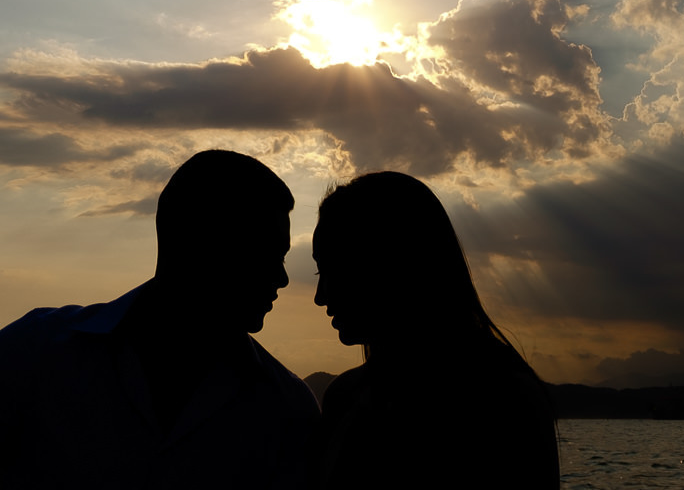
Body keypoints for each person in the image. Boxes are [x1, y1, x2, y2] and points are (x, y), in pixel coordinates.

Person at [0, 149, 320, 490]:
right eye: (263, 254)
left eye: (282, 257)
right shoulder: (34, 354)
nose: (281, 278)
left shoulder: (287, 410)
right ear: (196, 243)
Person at [310, 172, 559, 489]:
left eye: (335, 270)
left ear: (392, 264)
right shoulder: (344, 398)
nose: (321, 296)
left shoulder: (503, 402)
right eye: (320, 271)